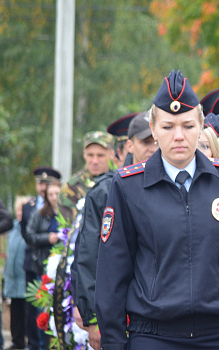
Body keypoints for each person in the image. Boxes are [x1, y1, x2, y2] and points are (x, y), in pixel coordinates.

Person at [95, 70, 219, 350]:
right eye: (168, 127)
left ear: (201, 126)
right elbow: (112, 275)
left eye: (188, 126)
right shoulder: (128, 186)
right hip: (154, 335)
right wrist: (113, 342)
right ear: (154, 129)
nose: (179, 136)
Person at [74, 111, 157, 350]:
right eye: (145, 142)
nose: (152, 148)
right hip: (116, 310)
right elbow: (90, 255)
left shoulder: (173, 184)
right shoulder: (106, 189)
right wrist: (93, 318)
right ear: (129, 144)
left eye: (155, 141)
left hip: (154, 316)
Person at [21, 166, 60, 350]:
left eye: (56, 193)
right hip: (41, 266)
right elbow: (28, 235)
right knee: (40, 310)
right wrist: (47, 238)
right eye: (50, 194)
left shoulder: (68, 212)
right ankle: (39, 345)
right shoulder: (38, 212)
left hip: (61, 269)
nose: (53, 197)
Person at [59, 131, 115, 218]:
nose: (95, 161)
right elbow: (69, 225)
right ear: (84, 154)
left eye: (100, 155)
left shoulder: (119, 182)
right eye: (90, 155)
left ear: (112, 154)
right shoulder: (72, 187)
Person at [4, 196, 29, 350]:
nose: (20, 213)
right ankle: (16, 341)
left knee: (26, 313)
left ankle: (26, 341)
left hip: (24, 277)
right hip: (12, 278)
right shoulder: (13, 227)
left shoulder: (29, 227)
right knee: (15, 312)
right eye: (19, 210)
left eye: (23, 210)